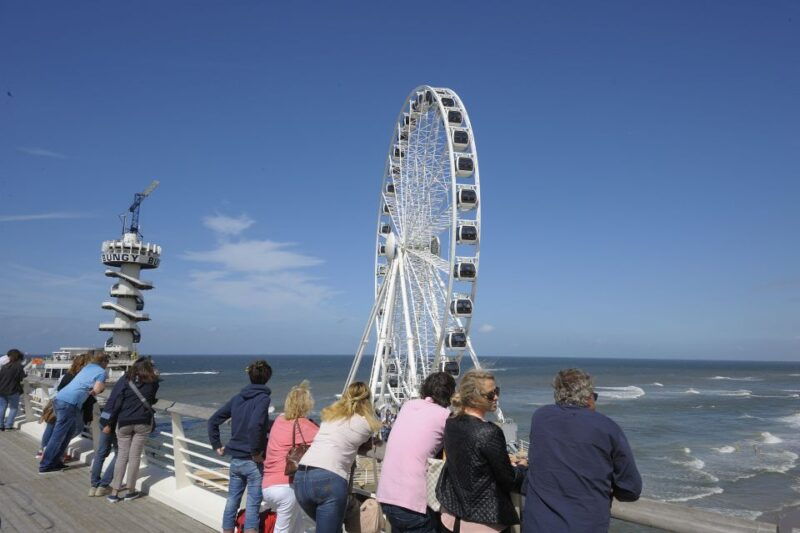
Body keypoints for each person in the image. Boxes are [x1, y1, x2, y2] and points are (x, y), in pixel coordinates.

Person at [522, 368, 642, 533]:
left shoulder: (540, 417)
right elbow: (631, 489)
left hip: (537, 525)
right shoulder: (607, 428)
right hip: (584, 525)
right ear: (588, 397)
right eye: (595, 397)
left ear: (557, 394)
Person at [436, 370, 526, 533]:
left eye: (497, 391)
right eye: (491, 394)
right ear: (473, 398)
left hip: (450, 516)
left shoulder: (451, 422)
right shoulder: (489, 432)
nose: (496, 397)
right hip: (482, 522)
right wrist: (522, 469)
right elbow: (508, 479)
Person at [293, 381, 380, 533]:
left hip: (301, 478)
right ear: (367, 401)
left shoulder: (329, 418)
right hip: (329, 479)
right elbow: (368, 444)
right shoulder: (365, 424)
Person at [377, 372, 456, 533]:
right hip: (411, 502)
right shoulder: (445, 416)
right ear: (450, 394)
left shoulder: (408, 406)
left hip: (387, 495)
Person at [209, 360, 272, 533]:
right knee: (252, 504)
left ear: (250, 376)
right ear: (267, 377)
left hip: (236, 459)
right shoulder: (263, 398)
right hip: (253, 461)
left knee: (232, 500)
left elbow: (213, 420)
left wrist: (216, 445)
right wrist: (256, 451)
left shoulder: (238, 398)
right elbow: (255, 425)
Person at [262, 381, 319, 533]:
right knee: (282, 530)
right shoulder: (304, 425)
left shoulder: (279, 420)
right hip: (286, 488)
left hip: (267, 485)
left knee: (297, 528)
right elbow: (326, 438)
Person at [39, 352, 108, 473]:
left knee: (67, 433)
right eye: (107, 363)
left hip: (61, 399)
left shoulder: (88, 367)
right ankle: (45, 465)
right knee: (58, 435)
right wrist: (100, 389)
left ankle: (56, 461)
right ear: (104, 362)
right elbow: (96, 390)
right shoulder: (102, 372)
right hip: (70, 403)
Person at [106, 356, 160, 502]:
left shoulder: (126, 381)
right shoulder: (153, 382)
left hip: (124, 422)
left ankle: (114, 492)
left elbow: (116, 402)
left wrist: (109, 423)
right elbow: (153, 396)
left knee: (122, 456)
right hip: (143, 422)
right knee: (135, 457)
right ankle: (130, 491)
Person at [38, 354, 91, 458]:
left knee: (52, 425)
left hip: (56, 401)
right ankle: (55, 452)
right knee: (74, 428)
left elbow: (59, 388)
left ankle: (43, 450)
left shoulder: (67, 374)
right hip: (69, 405)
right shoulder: (81, 377)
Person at [88, 374, 125, 496]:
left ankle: (94, 486)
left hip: (104, 417)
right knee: (120, 453)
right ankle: (103, 485)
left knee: (101, 452)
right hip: (112, 422)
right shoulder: (132, 383)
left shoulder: (121, 381)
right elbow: (119, 404)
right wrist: (110, 424)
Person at [0, 349, 26, 431]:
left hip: (2, 389)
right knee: (13, 408)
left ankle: (0, 425)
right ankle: (8, 425)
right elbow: (22, 377)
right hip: (13, 390)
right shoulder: (19, 367)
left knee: (2, 407)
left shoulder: (4, 366)